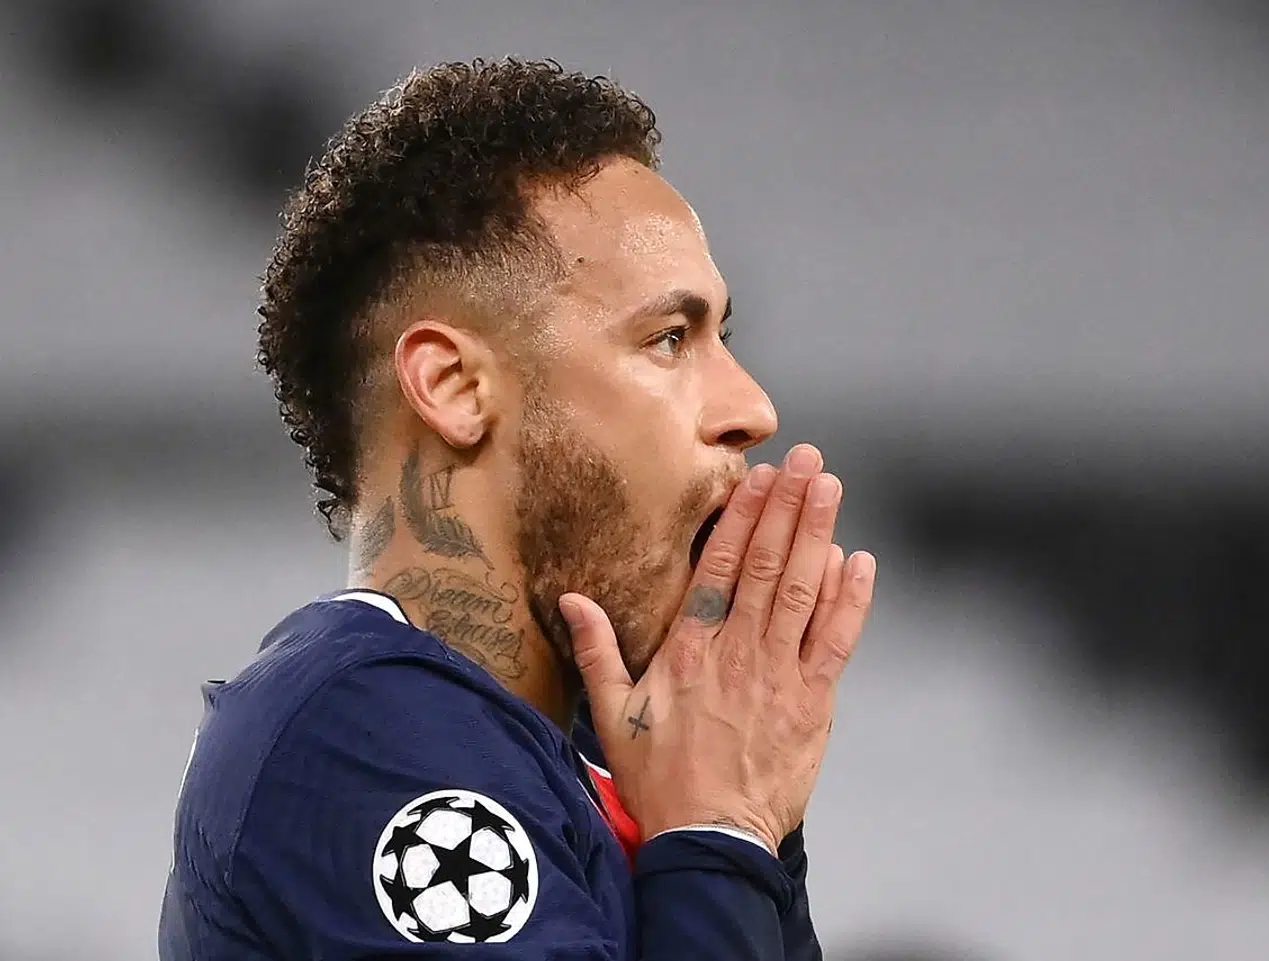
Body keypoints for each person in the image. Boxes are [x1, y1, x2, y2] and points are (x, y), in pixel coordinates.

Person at [159, 58, 876, 960]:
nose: (752, 408)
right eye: (668, 338)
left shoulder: (610, 770)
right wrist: (721, 836)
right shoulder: (356, 733)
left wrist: (746, 830)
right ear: (456, 385)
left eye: (720, 337)